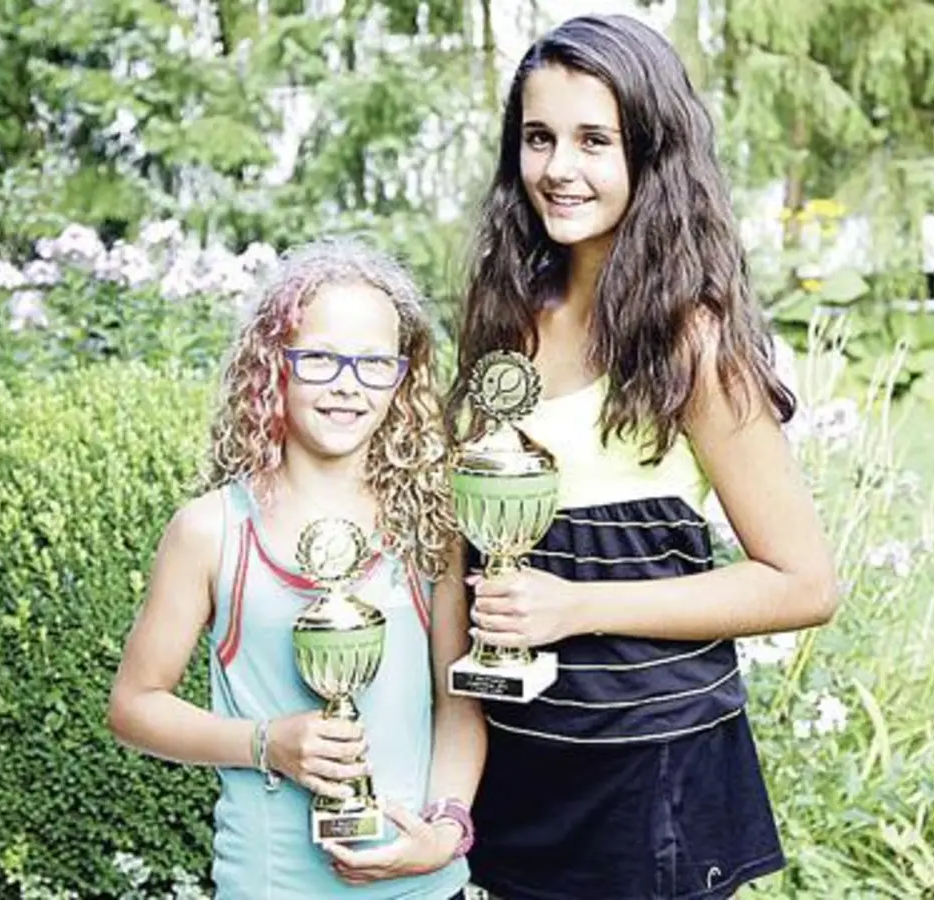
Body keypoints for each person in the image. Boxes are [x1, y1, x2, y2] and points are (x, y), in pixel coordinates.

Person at [444, 14, 843, 900]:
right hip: (518, 774)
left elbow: (803, 583)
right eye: (539, 138)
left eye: (595, 140)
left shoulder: (692, 343)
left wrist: (576, 606)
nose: (559, 167)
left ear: (652, 152)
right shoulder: (504, 320)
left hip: (648, 784)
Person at [108, 238, 484, 900]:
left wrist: (446, 829)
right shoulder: (213, 529)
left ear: (402, 379)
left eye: (375, 363)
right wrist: (266, 743)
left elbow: (458, 705)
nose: (348, 384)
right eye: (320, 359)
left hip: (425, 889)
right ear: (272, 366)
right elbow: (134, 706)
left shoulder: (430, 526)